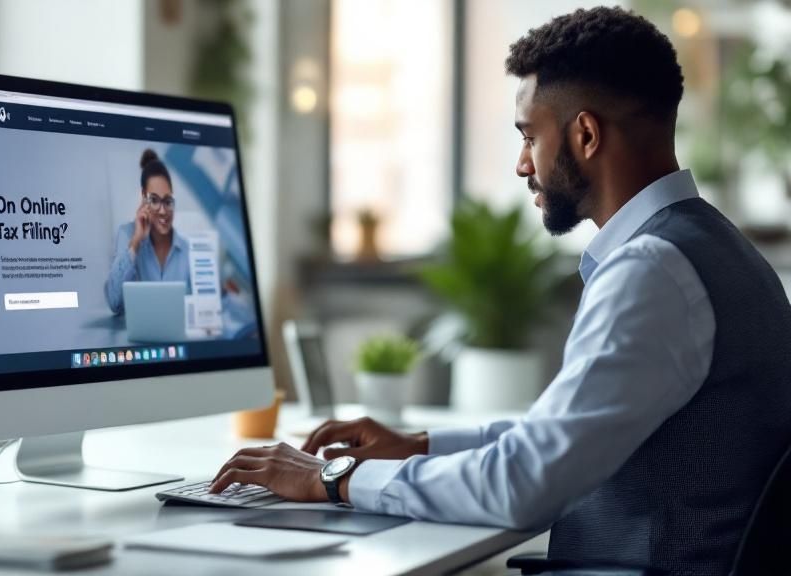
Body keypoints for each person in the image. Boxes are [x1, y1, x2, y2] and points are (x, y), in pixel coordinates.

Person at [210, 7, 791, 573]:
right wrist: (419, 446)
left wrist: (328, 478)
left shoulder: (653, 271)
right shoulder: (720, 250)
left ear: (585, 133)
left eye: (528, 137)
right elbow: (570, 434)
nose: (521, 165)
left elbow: (521, 484)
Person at [106, 149, 190, 314]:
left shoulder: (185, 249)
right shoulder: (127, 234)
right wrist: (136, 242)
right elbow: (114, 303)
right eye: (154, 200)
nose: (162, 211)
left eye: (167, 201)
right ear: (144, 198)